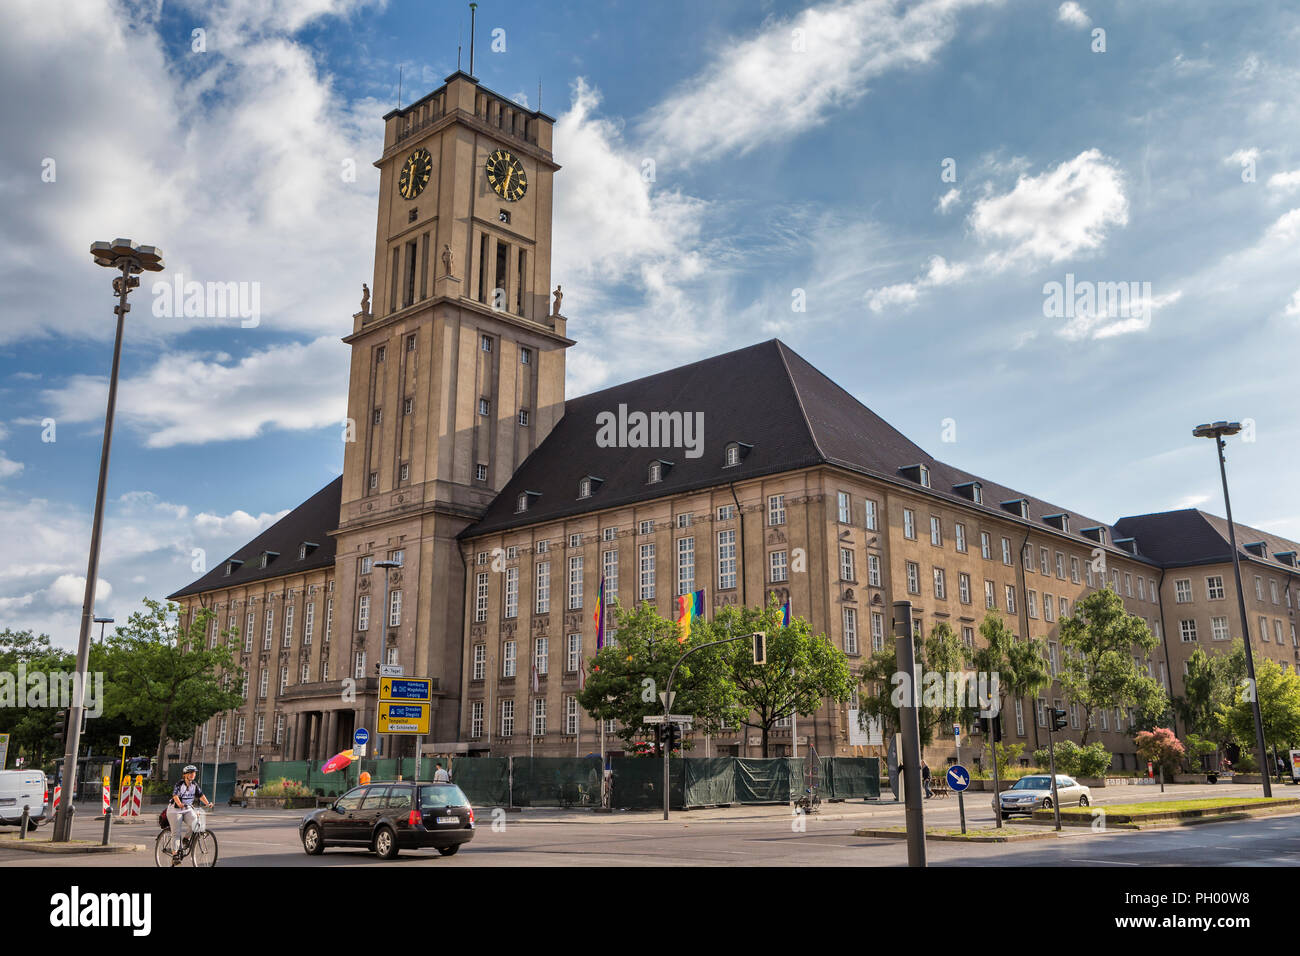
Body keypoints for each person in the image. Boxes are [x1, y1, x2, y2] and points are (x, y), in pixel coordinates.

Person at [168, 765, 212, 864]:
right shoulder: (180, 784)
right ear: (185, 775)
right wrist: (179, 803)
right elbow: (175, 795)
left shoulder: (194, 785)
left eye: (194, 773)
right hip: (175, 810)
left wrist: (208, 803)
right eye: (190, 773)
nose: (193, 774)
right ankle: (175, 855)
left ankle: (186, 839)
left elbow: (201, 795)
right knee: (176, 832)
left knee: (197, 823)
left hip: (187, 809)